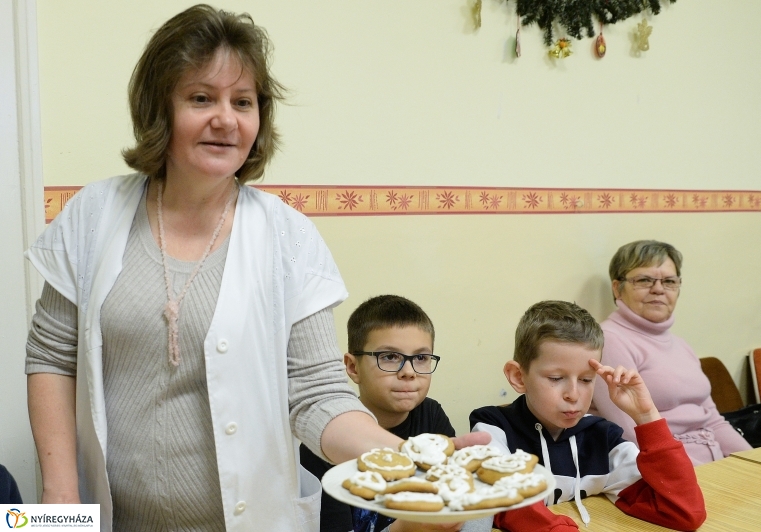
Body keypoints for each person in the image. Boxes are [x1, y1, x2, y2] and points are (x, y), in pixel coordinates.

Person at [23, 6, 485, 531]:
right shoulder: (93, 214)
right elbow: (52, 355)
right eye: (201, 98)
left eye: (242, 102)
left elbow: (316, 396)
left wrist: (407, 459)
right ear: (159, 108)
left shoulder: (288, 236)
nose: (226, 118)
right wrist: (57, 501)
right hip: (108, 518)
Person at [470, 301, 706, 532]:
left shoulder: (603, 438)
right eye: (555, 378)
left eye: (586, 379)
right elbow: (503, 500)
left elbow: (684, 512)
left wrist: (647, 416)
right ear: (519, 377)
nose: (573, 395)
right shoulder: (491, 428)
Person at [300, 295, 491, 532]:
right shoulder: (323, 440)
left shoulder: (430, 414)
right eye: (390, 357)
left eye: (421, 358)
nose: (409, 372)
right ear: (352, 367)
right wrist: (406, 528)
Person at [589, 240, 751, 465]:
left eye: (669, 281)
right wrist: (708, 475)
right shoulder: (609, 341)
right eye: (644, 280)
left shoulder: (680, 344)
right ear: (617, 288)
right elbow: (631, 436)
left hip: (714, 464)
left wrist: (756, 462)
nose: (658, 289)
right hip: (667, 471)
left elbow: (714, 422)